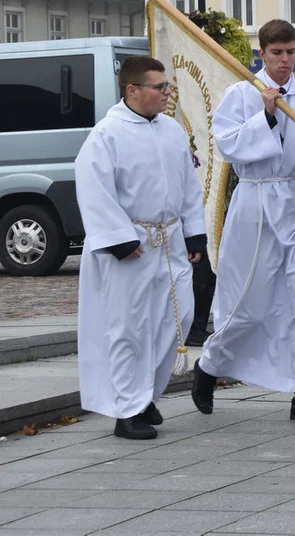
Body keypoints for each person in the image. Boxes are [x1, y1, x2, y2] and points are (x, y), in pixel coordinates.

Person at [191, 19, 295, 423]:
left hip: (293, 198)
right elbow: (228, 143)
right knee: (247, 300)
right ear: (262, 53)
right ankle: (209, 366)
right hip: (255, 200)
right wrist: (267, 115)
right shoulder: (241, 93)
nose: (285, 60)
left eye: (291, 52)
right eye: (277, 53)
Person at [75, 56, 206, 439]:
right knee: (129, 329)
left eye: (167, 86)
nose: (168, 93)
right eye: (159, 87)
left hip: (169, 241)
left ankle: (145, 394)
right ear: (132, 90)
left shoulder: (172, 131)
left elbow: (187, 186)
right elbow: (94, 188)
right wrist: (118, 237)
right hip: (130, 246)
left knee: (172, 323)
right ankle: (126, 409)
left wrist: (194, 233)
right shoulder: (106, 134)